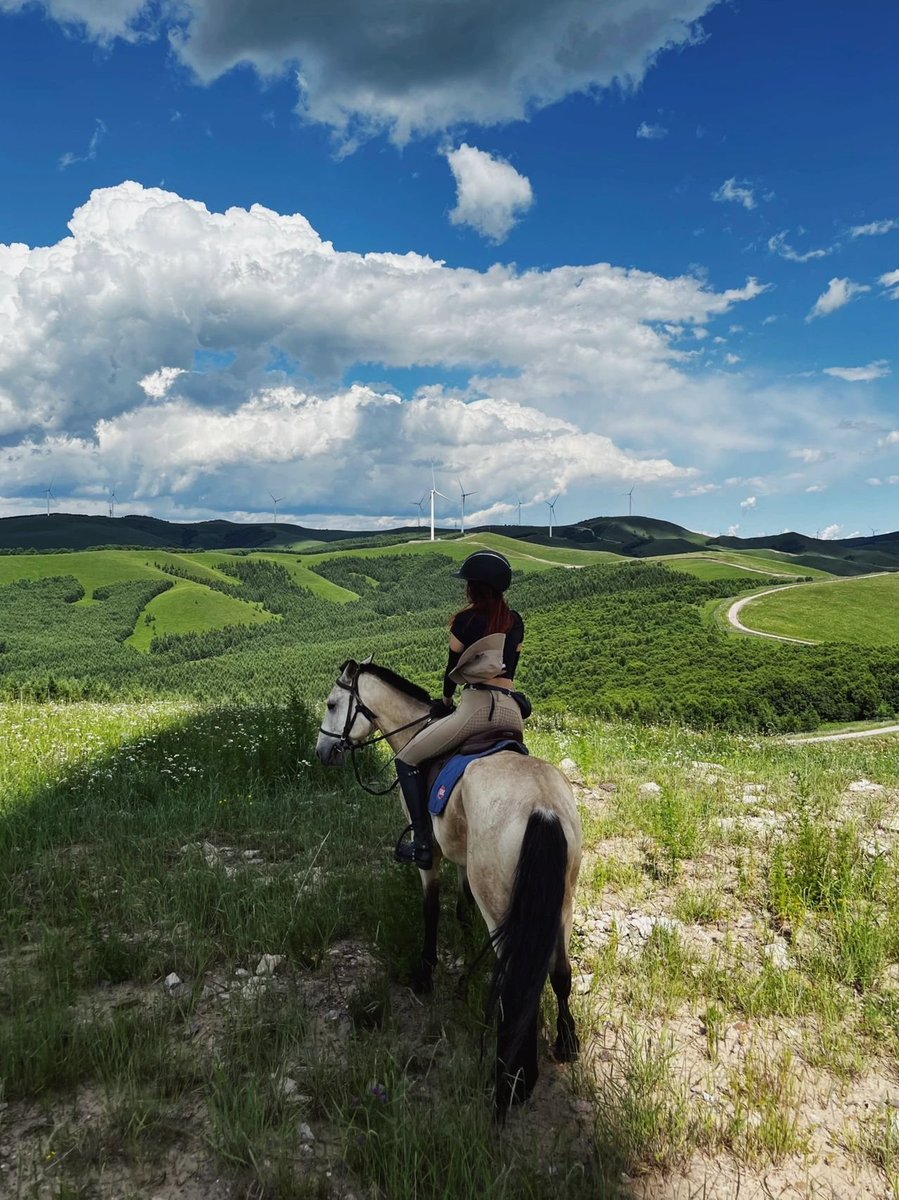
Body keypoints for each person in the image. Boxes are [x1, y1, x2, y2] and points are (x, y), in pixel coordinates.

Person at [393, 549, 526, 869]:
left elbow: (451, 670)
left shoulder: (466, 621)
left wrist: (447, 699)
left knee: (407, 758)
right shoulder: (515, 621)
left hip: (477, 708)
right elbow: (512, 666)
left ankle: (423, 843)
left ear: (474, 587)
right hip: (511, 710)